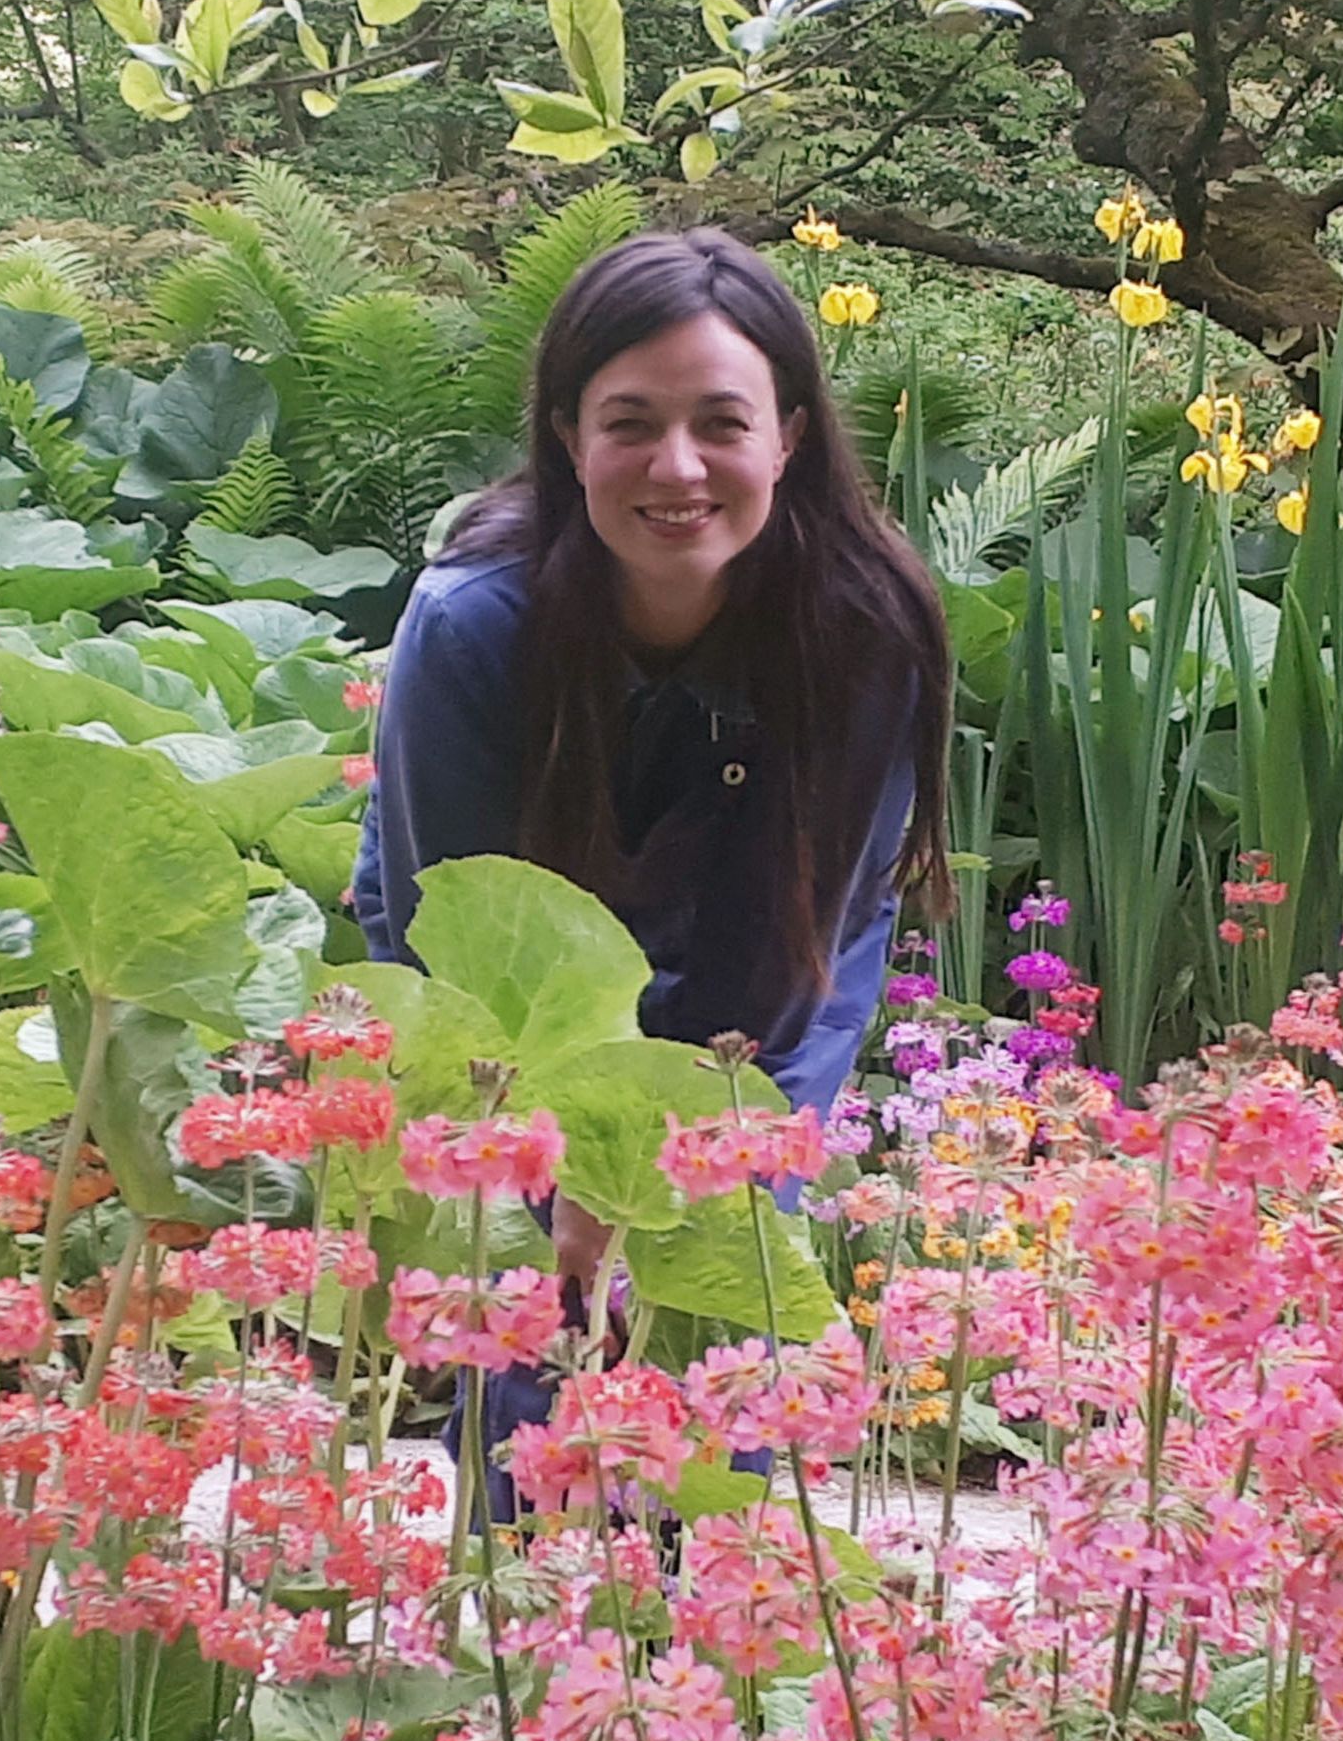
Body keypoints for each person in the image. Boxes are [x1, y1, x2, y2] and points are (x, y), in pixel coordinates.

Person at [351, 223, 952, 1320]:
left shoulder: (866, 634)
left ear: (790, 440)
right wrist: (569, 1179)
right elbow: (464, 941)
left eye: (722, 424)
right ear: (568, 439)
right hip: (506, 998)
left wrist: (707, 1163)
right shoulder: (470, 625)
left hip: (776, 989)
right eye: (630, 424)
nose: (677, 468)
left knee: (722, 1325)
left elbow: (814, 935)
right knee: (546, 1350)